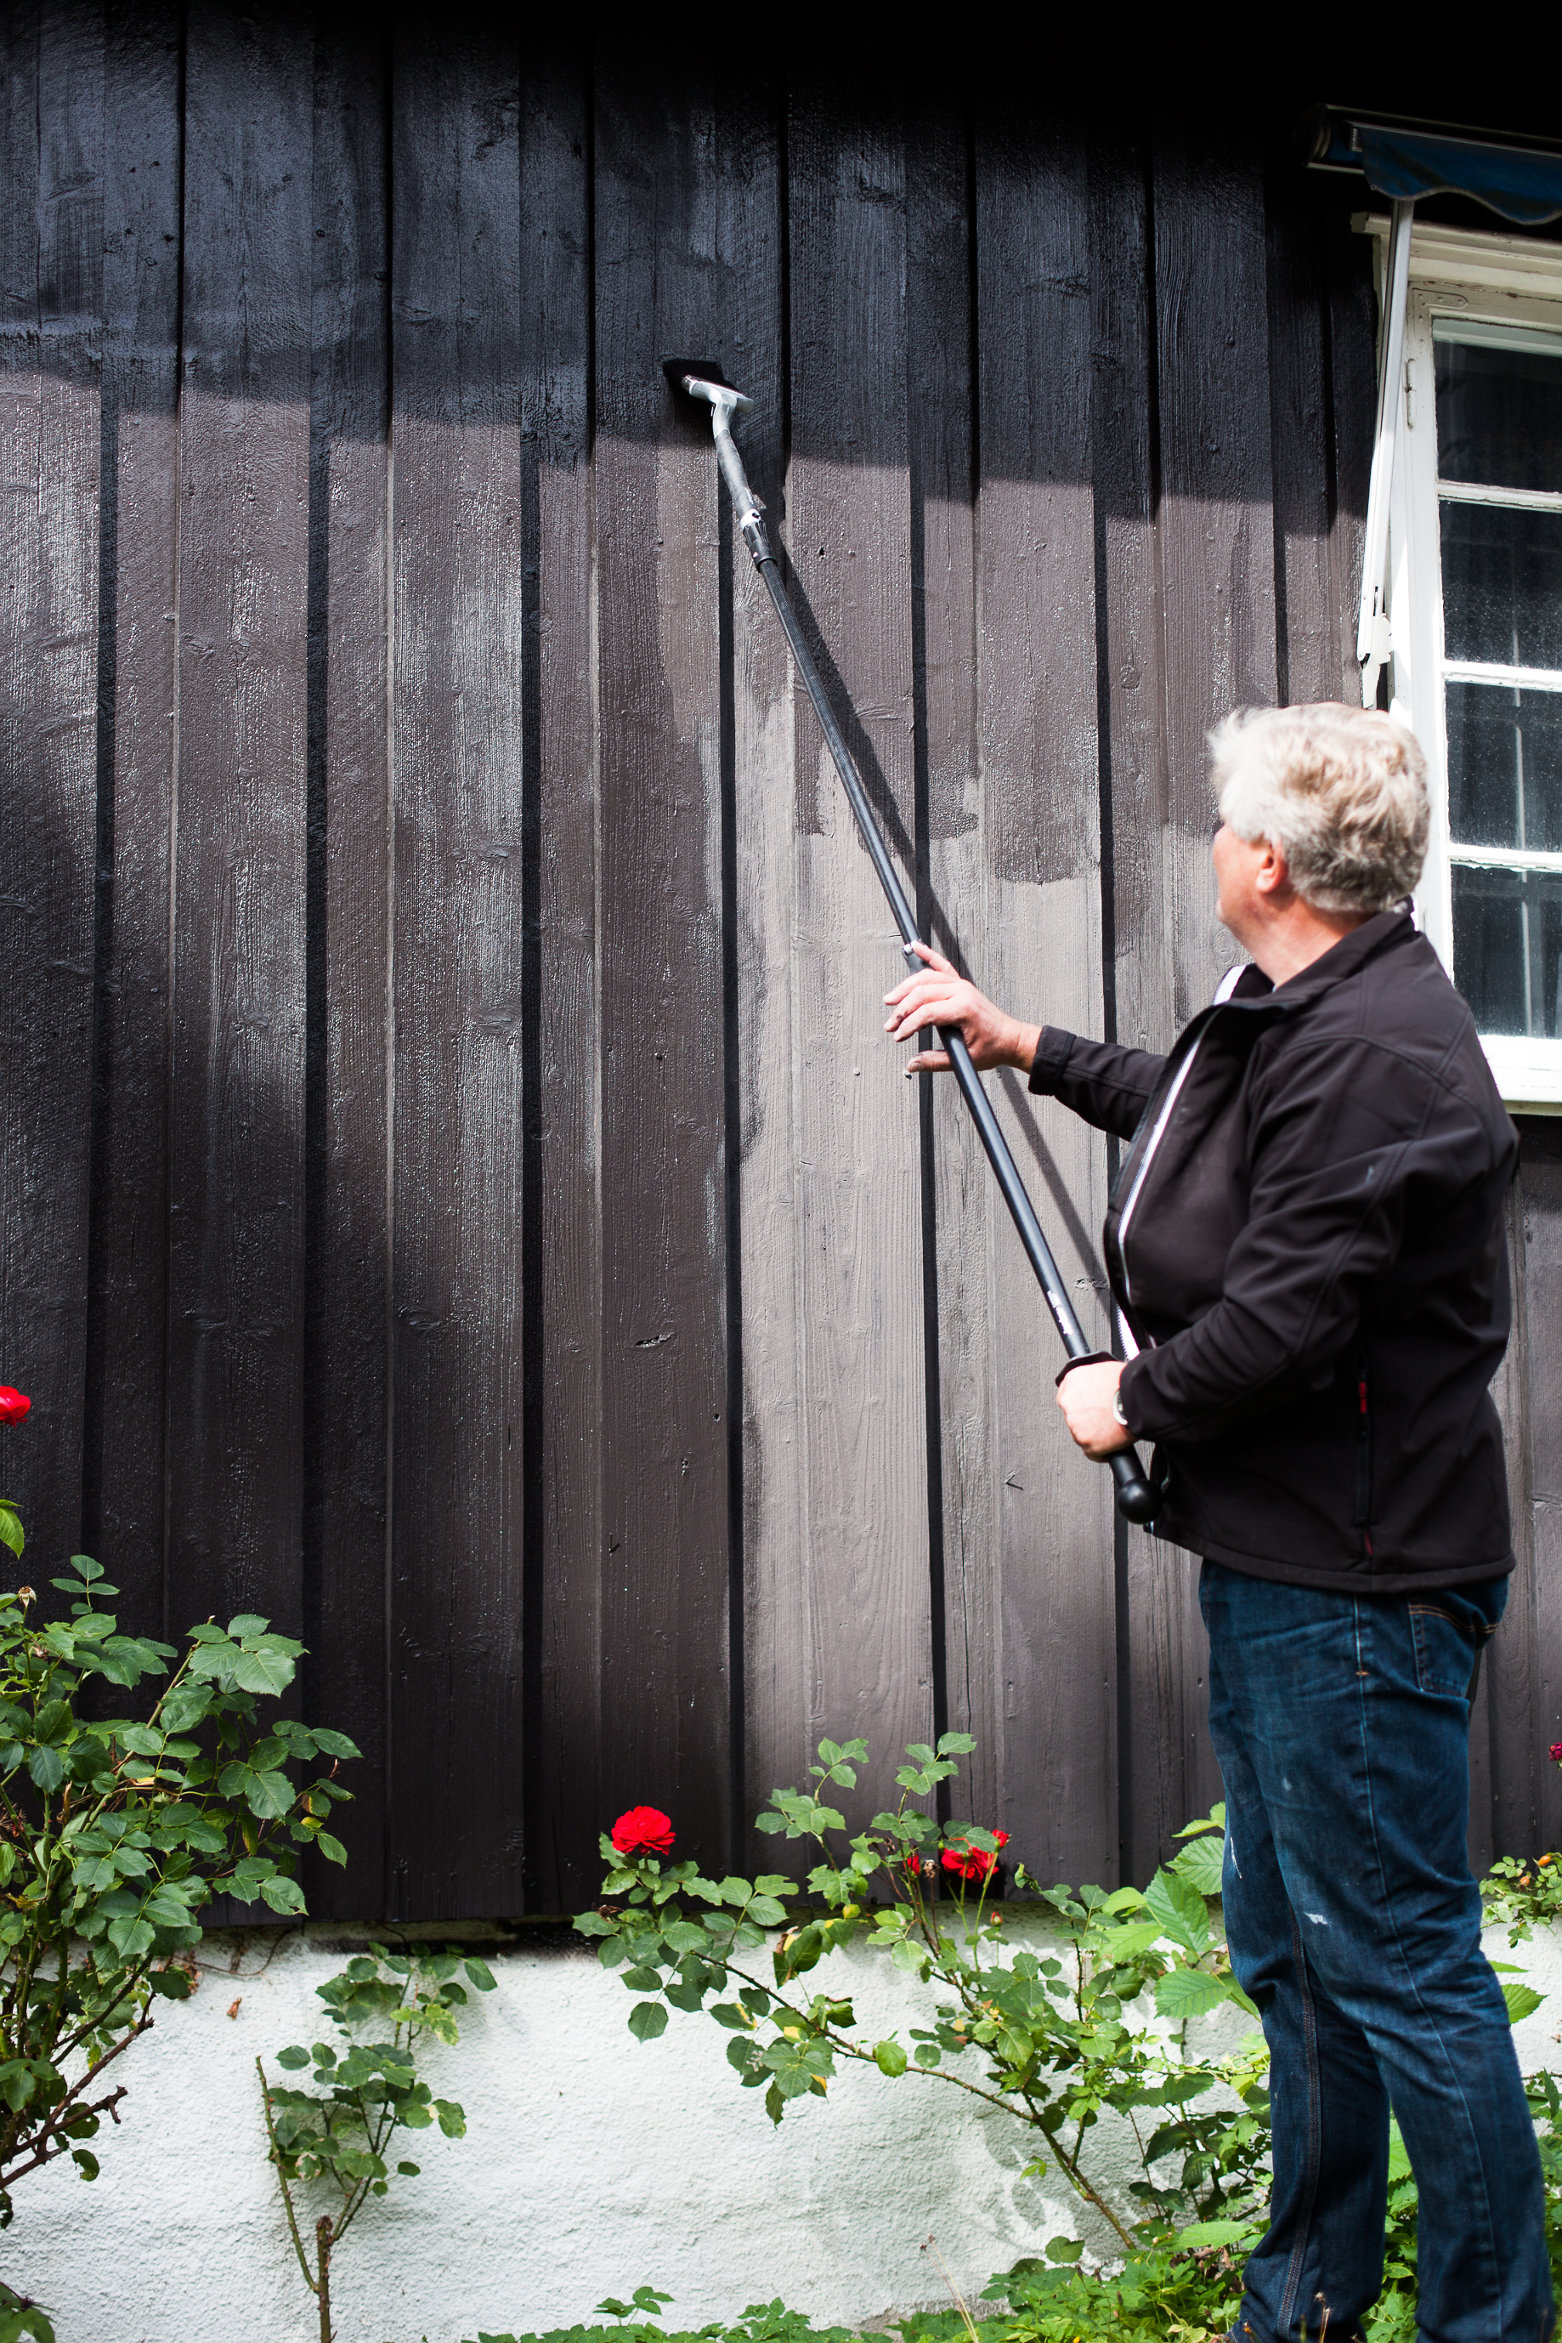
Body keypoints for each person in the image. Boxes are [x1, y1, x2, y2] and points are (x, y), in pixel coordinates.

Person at [883, 701, 1553, 2343]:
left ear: (1264, 860)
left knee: (1392, 1967)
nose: (1209, 845)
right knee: (1298, 1958)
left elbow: (1285, 1322)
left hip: (1359, 1587)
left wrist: (1133, 1397)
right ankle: (1309, 2307)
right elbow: (1199, 1123)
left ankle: (1488, 2328)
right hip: (1283, 1567)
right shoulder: (1300, 1003)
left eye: (1219, 822)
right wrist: (1018, 1039)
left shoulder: (1380, 1052)